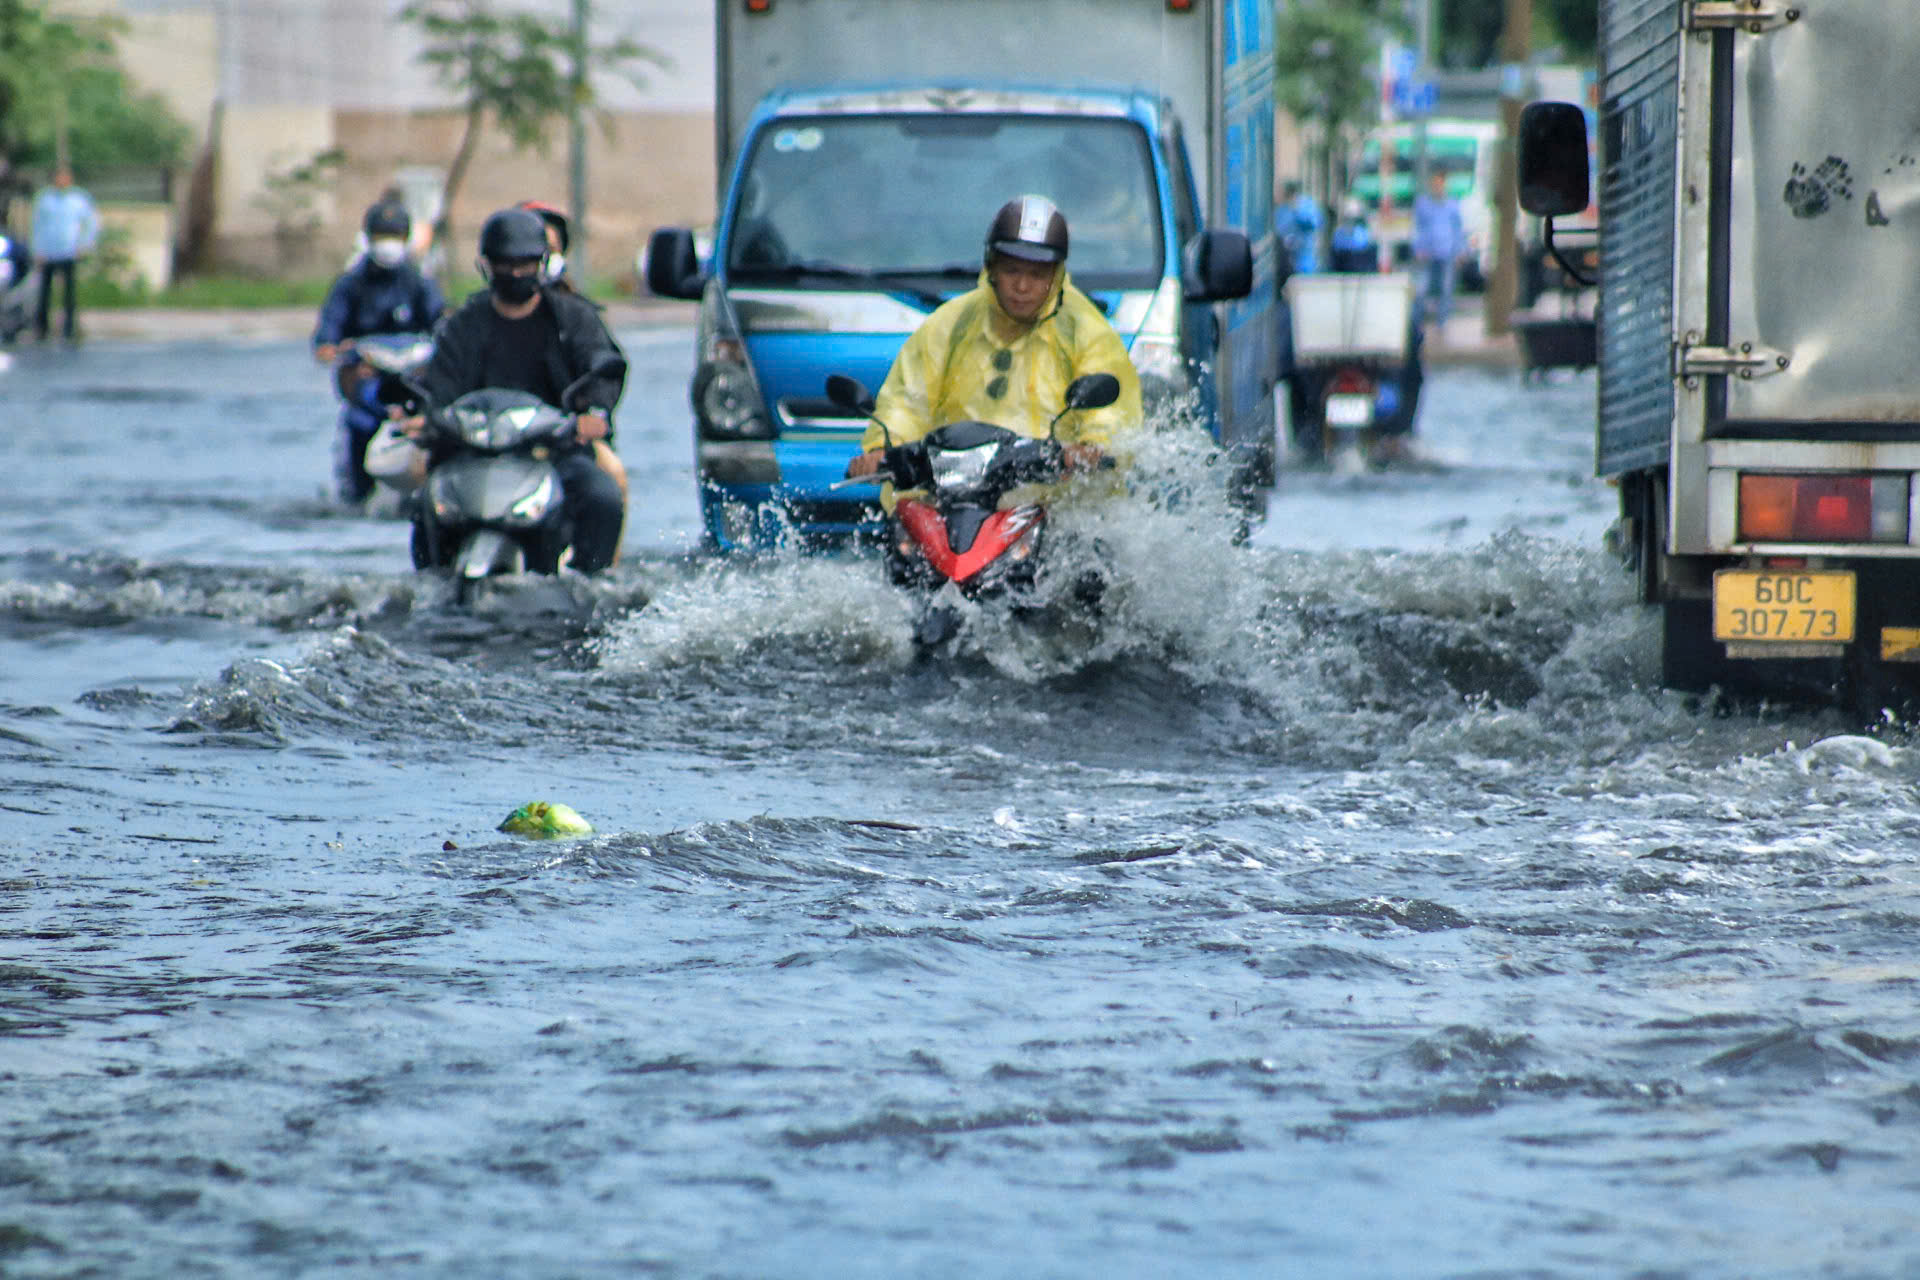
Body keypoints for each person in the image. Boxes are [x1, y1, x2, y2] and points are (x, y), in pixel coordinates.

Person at [844, 194, 1142, 489]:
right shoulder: (951, 323)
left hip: (1051, 504)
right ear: (991, 266)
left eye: (1037, 275)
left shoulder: (1088, 332)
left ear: (1056, 275)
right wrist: (881, 450)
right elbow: (908, 400)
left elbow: (1111, 416)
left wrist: (1092, 447)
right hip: (952, 496)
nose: (1022, 286)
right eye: (1011, 270)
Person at [403, 206, 627, 574]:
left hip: (553, 451)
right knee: (427, 504)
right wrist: (424, 418)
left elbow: (602, 367)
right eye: (506, 264)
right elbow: (437, 386)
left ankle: (593, 582)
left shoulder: (572, 318)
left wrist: (594, 413)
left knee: (601, 497)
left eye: (525, 264)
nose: (516, 273)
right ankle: (431, 583)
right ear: (487, 266)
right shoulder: (462, 326)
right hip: (470, 454)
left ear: (542, 265)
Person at [313, 200, 446, 504]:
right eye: (382, 235)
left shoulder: (418, 281)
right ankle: (357, 491)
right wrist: (331, 347)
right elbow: (330, 329)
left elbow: (440, 319)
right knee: (361, 420)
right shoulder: (351, 284)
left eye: (395, 236)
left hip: (412, 378)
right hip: (369, 377)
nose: (388, 244)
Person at [29, 167, 99, 342]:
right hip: (48, 251)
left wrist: (84, 245)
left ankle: (69, 327)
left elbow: (91, 223)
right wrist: (37, 249)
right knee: (44, 292)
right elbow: (37, 226)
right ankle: (42, 328)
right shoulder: (45, 199)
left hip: (69, 250)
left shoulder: (78, 199)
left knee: (69, 292)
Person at [1411, 171, 1468, 333]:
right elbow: (1417, 228)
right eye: (1434, 184)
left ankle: (1441, 324)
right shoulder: (1423, 204)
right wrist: (1418, 248)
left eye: (1440, 184)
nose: (1437, 187)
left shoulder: (1452, 205)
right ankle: (1416, 323)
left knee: (1446, 289)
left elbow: (1458, 229)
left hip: (1447, 252)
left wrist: (1460, 251)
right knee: (1421, 289)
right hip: (1426, 253)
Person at [1279, 180, 1322, 275]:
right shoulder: (1282, 208)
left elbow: (1315, 223)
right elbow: (1279, 228)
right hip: (1286, 257)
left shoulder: (1306, 205)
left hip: (1304, 256)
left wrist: (1297, 211)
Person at [1328, 198, 1377, 274]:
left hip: (1357, 269)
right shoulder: (1339, 232)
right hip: (1344, 269)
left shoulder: (1361, 232)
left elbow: (1363, 246)